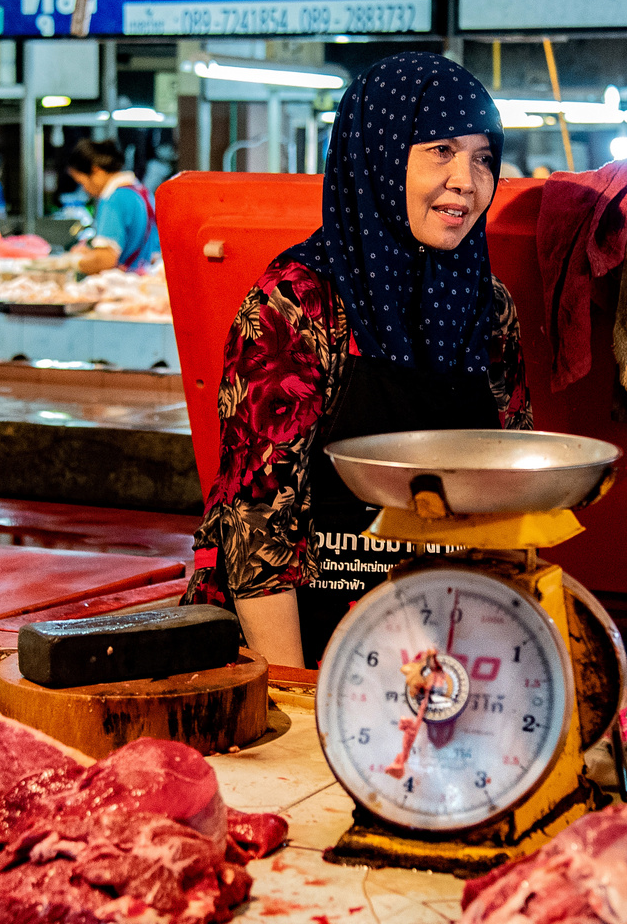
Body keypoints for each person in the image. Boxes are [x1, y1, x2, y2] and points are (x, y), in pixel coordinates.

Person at [182, 53, 532, 669]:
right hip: (299, 644)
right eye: (441, 150)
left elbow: (513, 487)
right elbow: (257, 515)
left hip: (441, 651)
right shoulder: (297, 304)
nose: (467, 181)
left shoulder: (488, 307)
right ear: (378, 154)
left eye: (483, 157)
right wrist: (294, 688)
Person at [65, 139, 158, 274]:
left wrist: (70, 262)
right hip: (145, 282)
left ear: (96, 171)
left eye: (82, 182)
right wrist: (92, 253)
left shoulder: (113, 199)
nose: (85, 190)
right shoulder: (142, 193)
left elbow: (105, 260)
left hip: (122, 287)